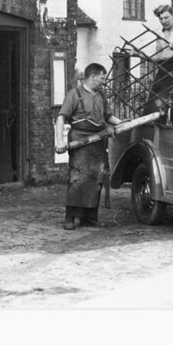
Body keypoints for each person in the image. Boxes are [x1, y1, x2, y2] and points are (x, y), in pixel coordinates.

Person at [54, 63, 126, 230]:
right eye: (102, 78)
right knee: (78, 178)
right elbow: (61, 118)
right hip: (80, 139)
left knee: (97, 178)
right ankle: (70, 217)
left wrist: (123, 123)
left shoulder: (101, 94)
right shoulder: (74, 94)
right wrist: (59, 141)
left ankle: (89, 218)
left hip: (99, 140)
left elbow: (109, 117)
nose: (103, 81)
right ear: (92, 76)